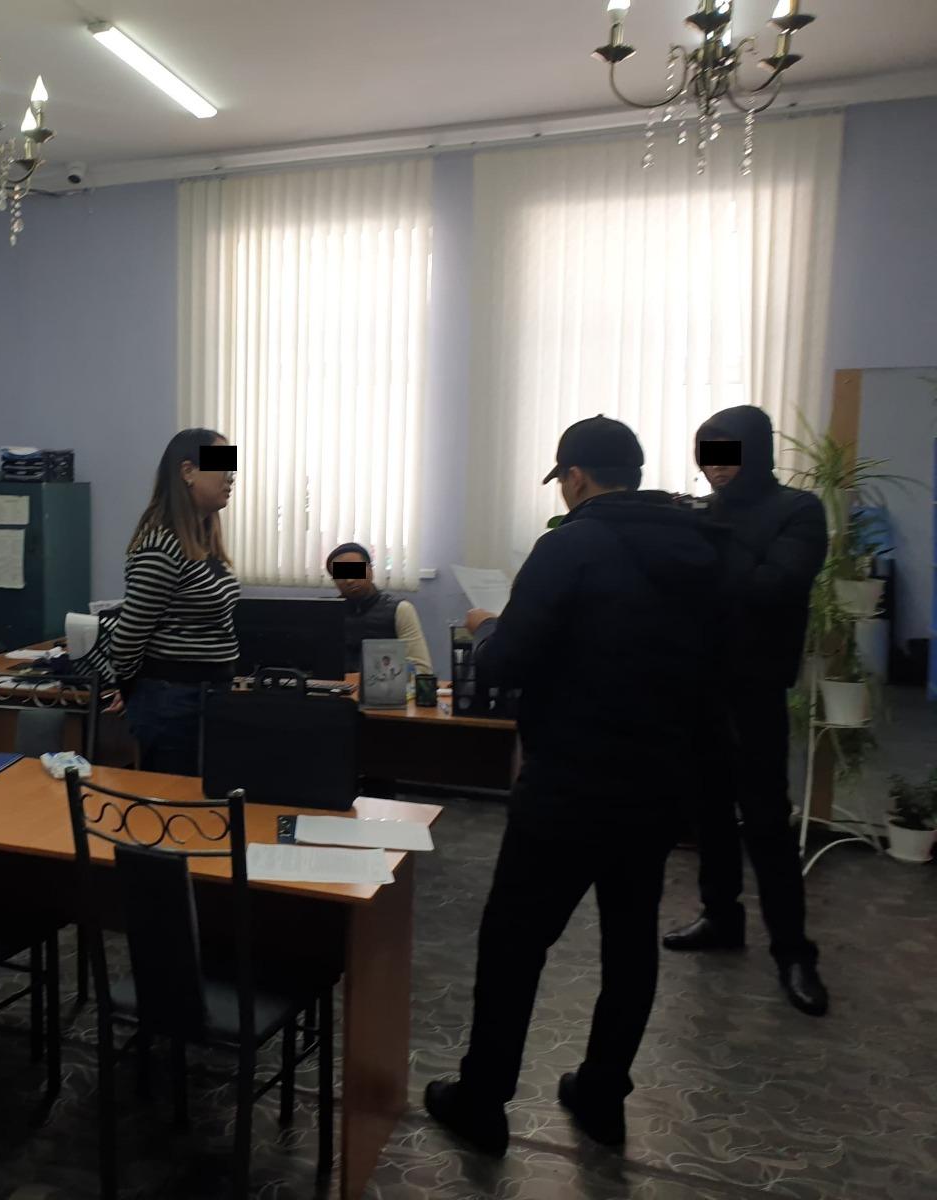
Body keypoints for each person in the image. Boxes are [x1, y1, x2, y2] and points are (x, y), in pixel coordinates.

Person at [426, 416, 726, 1156]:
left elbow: (507, 663)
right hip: (658, 785)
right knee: (631, 942)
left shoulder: (571, 545)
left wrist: (486, 627)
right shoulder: (701, 546)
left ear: (577, 477)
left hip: (569, 783)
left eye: (562, 479)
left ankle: (482, 1102)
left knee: (514, 941)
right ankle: (601, 1093)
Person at [661, 405, 829, 1016]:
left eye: (727, 454)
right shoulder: (705, 514)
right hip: (699, 684)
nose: (716, 468)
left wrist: (706, 545)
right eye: (706, 455)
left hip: (755, 690)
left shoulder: (798, 510)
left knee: (765, 823)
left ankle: (793, 951)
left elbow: (774, 587)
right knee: (708, 812)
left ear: (755, 451)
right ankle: (720, 917)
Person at [85, 428, 239, 775]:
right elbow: (128, 638)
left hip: (208, 694)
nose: (230, 477)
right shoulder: (162, 545)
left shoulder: (203, 540)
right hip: (174, 701)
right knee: (175, 801)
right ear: (187, 472)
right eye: (221, 466)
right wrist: (135, 690)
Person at [326, 542, 432, 676]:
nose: (349, 580)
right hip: (334, 687)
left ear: (370, 571)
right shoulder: (328, 613)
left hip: (384, 687)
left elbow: (422, 669)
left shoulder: (400, 610)